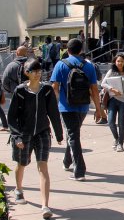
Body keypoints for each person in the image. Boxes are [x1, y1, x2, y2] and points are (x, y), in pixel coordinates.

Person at [8, 57, 63, 219]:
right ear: (27, 73)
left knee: (43, 167)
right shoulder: (20, 91)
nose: (38, 74)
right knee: (21, 163)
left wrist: (59, 133)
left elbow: (53, 112)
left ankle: (45, 206)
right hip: (23, 134)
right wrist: (16, 136)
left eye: (40, 71)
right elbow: (12, 117)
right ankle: (18, 189)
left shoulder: (46, 90)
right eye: (34, 71)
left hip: (43, 132)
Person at [50, 38, 102, 181]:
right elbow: (95, 90)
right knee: (73, 134)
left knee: (73, 135)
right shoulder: (89, 66)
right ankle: (67, 161)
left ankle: (79, 171)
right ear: (81, 50)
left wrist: (55, 104)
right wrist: (98, 109)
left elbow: (55, 87)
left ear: (67, 50)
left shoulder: (60, 65)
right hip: (83, 106)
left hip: (66, 107)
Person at [101, 54, 124, 152]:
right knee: (110, 122)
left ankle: (120, 143)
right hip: (113, 100)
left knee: (121, 123)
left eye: (122, 61)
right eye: (118, 61)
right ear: (115, 62)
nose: (120, 63)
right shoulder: (111, 72)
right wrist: (112, 89)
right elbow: (103, 83)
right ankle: (116, 138)